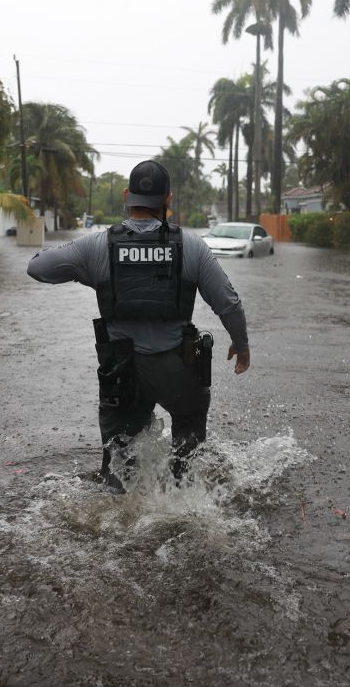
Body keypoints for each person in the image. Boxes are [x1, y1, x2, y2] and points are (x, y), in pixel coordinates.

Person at [26, 161, 250, 492]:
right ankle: (184, 502)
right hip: (179, 372)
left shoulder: (97, 246)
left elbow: (38, 268)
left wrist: (87, 270)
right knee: (188, 455)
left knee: (119, 469)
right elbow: (228, 303)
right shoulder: (192, 246)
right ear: (168, 198)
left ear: (126, 195)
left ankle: (121, 511)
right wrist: (241, 345)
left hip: (124, 375)